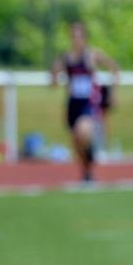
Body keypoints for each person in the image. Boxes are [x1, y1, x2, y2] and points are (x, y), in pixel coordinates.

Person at [50, 21, 119, 182]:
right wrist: (54, 73)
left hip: (88, 104)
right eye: (73, 36)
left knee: (83, 131)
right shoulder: (66, 58)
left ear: (85, 38)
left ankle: (90, 156)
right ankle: (87, 170)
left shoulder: (92, 55)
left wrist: (112, 93)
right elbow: (53, 81)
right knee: (76, 141)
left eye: (79, 36)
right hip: (72, 104)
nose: (76, 39)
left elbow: (114, 67)